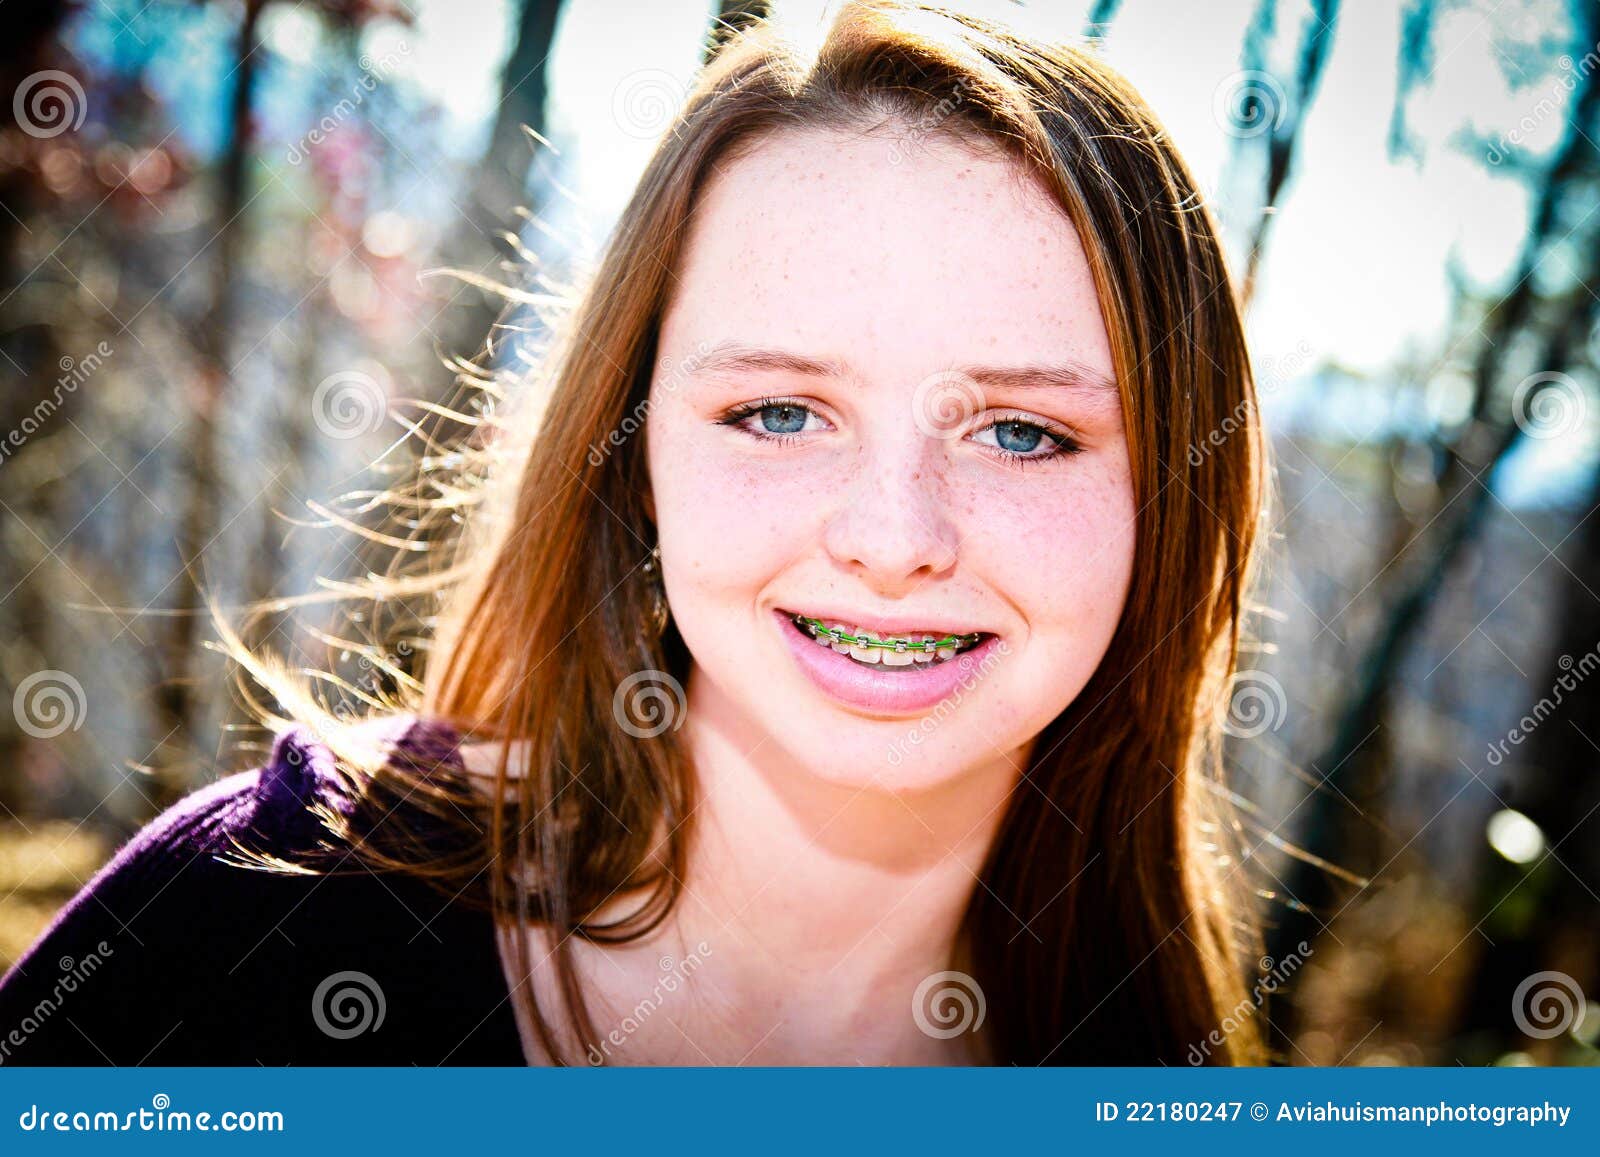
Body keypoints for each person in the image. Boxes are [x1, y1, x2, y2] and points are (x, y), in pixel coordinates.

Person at [0, 0, 1271, 1066]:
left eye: (1021, 432)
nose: (894, 538)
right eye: (779, 410)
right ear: (636, 449)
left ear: (1174, 491)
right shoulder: (259, 920)